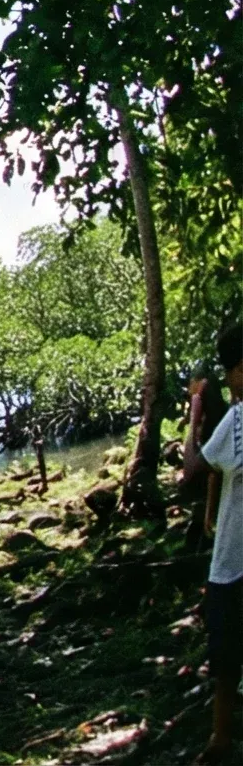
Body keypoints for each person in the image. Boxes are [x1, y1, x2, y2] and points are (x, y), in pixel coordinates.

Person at [188, 323, 243, 762]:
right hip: (231, 555)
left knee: (226, 658)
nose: (230, 382)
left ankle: (221, 739)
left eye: (232, 372)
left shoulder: (237, 420)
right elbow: (221, 474)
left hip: (232, 564)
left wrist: (192, 415)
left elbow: (193, 469)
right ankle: (221, 739)